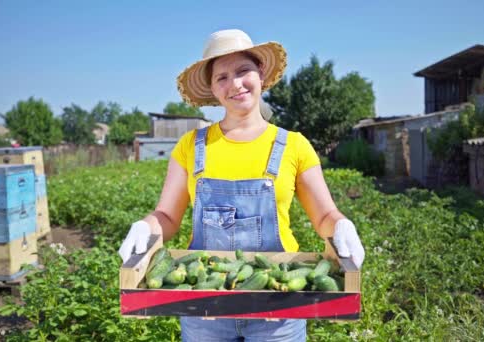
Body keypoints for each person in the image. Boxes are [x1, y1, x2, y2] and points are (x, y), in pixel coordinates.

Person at [119, 29, 365, 341]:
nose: (234, 84)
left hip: (278, 310)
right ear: (212, 88)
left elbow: (324, 215)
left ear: (260, 74)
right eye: (221, 77)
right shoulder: (191, 146)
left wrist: (341, 225)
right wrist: (146, 225)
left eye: (243, 71)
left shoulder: (294, 146)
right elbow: (167, 216)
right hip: (203, 304)